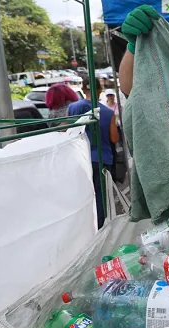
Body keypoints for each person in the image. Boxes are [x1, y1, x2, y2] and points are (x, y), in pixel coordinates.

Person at [68, 77, 120, 229]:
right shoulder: (108, 112)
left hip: (80, 159)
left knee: (83, 199)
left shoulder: (73, 108)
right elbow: (114, 138)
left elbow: (68, 132)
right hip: (102, 160)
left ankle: (85, 231)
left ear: (83, 90)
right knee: (101, 200)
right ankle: (101, 231)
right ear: (100, 91)